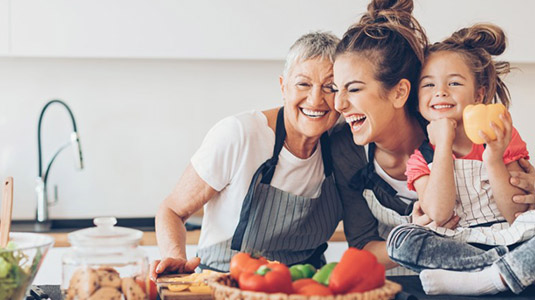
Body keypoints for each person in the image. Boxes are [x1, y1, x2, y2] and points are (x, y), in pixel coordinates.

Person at [329, 0, 535, 276]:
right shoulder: (347, 150)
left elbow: (515, 206)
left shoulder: (464, 130)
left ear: (401, 92)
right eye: (335, 89)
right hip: (410, 282)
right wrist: (420, 232)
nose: (339, 104)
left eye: (353, 89)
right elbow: (362, 248)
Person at [150, 31, 343, 279]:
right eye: (303, 84)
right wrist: (176, 257)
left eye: (331, 87)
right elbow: (171, 210)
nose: (316, 99)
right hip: (224, 284)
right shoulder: (240, 135)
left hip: (304, 287)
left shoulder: (345, 145)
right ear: (283, 87)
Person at [386, 24, 535, 296]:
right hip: (459, 245)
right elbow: (439, 214)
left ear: (479, 94)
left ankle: (485, 278)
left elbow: (516, 215)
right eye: (429, 84)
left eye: (454, 83)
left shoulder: (501, 137)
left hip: (510, 236)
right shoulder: (421, 158)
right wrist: (442, 145)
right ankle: (499, 271)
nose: (440, 91)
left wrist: (493, 159)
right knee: (400, 240)